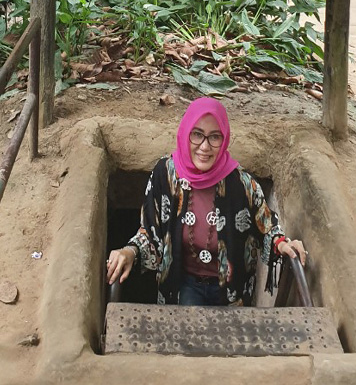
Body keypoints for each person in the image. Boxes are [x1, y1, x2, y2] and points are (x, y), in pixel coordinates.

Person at [106, 97, 308, 306]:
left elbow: (266, 226)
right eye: (197, 134)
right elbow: (150, 232)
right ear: (186, 133)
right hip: (184, 285)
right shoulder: (165, 176)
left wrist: (283, 244)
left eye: (214, 137)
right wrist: (128, 252)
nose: (205, 146)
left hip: (230, 290)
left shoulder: (241, 184)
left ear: (225, 139)